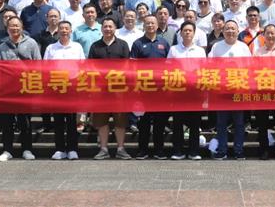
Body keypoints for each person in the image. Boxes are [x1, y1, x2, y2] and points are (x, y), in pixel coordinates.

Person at [0, 16, 41, 162]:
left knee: (25, 121)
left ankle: (27, 149)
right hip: (8, 89)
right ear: (7, 28)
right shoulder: (2, 47)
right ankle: (7, 150)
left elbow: (38, 64)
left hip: (26, 87)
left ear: (22, 27)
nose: (14, 28)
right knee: (7, 121)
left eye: (17, 26)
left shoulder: (31, 43)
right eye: (12, 26)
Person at [89, 17, 132, 160]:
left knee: (120, 121)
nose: (108, 29)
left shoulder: (123, 45)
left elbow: (128, 66)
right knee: (102, 122)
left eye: (110, 26)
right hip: (101, 90)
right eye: (105, 26)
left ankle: (121, 149)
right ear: (101, 29)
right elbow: (90, 67)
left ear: (115, 28)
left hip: (119, 90)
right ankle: (103, 149)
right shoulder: (95, 46)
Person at [208, 20, 252, 160]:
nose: (230, 31)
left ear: (238, 31)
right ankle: (222, 150)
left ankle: (238, 150)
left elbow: (250, 67)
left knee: (239, 123)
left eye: (233, 29)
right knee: (221, 123)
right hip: (221, 91)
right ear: (223, 31)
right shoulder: (216, 46)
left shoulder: (243, 47)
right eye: (227, 28)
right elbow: (210, 65)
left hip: (238, 90)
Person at [131, 15, 171, 159]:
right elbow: (133, 67)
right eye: (147, 23)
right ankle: (143, 150)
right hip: (144, 89)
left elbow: (170, 65)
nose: (150, 25)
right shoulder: (137, 44)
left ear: (157, 25)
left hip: (160, 89)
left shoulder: (164, 43)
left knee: (160, 122)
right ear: (143, 26)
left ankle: (159, 150)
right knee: (144, 122)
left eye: (152, 23)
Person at [44, 20, 85, 160]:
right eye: (61, 28)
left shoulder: (77, 47)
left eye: (67, 28)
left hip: (73, 87)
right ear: (58, 31)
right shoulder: (51, 48)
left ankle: (72, 149)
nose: (64, 31)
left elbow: (82, 66)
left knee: (72, 120)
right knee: (58, 120)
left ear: (71, 31)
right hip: (56, 87)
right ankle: (60, 149)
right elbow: (45, 68)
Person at [168, 21, 207, 160]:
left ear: (194, 33)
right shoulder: (174, 50)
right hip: (178, 89)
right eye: (185, 30)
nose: (187, 33)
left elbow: (204, 70)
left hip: (195, 91)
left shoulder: (200, 51)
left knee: (195, 122)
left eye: (190, 30)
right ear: (181, 33)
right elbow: (168, 67)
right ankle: (177, 151)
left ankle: (194, 151)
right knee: (178, 122)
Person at [253, 24, 275, 160]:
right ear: (263, 36)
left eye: (273, 33)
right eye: (267, 33)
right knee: (262, 122)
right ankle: (264, 149)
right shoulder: (258, 52)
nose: (270, 35)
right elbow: (253, 71)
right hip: (262, 91)